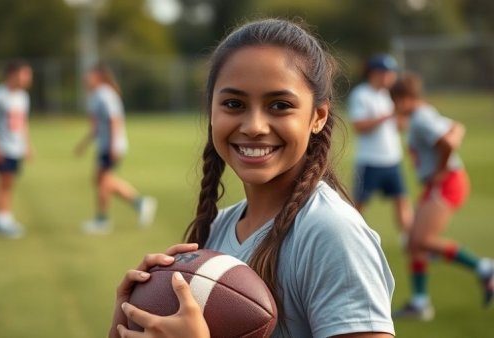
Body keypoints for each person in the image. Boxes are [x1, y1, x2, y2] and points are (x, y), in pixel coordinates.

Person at [109, 19, 395, 338]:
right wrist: (128, 324)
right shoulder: (217, 229)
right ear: (211, 110)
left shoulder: (331, 234)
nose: (254, 125)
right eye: (234, 104)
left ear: (318, 116)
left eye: (280, 105)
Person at [390, 72, 494, 320]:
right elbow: (457, 128)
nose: (395, 107)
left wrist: (440, 170)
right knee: (415, 243)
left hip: (447, 183)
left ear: (404, 99)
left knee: (421, 240)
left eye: (395, 101)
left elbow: (447, 143)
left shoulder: (421, 118)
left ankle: (485, 268)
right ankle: (420, 303)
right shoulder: (424, 113)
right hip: (440, 183)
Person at [75, 64, 157, 234]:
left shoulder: (105, 94)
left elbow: (114, 120)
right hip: (106, 145)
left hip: (111, 146)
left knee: (103, 181)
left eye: (88, 75)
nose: (85, 79)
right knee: (102, 180)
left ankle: (103, 220)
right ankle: (139, 203)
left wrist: (113, 146)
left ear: (98, 76)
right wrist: (83, 145)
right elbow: (96, 127)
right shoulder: (96, 96)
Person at [348, 54, 413, 239]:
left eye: (391, 73)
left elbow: (399, 127)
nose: (390, 77)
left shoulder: (390, 96)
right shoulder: (361, 94)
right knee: (359, 204)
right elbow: (359, 127)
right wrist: (387, 115)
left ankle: (410, 240)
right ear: (375, 73)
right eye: (386, 73)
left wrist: (403, 117)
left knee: (401, 200)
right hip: (370, 160)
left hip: (392, 158)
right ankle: (351, 237)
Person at [0, 60, 33, 239]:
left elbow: (23, 123)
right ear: (13, 74)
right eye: (25, 74)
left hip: (15, 147)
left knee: (8, 182)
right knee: (4, 182)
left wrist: (27, 146)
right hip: (3, 147)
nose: (27, 78)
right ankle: (3, 219)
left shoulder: (23, 96)